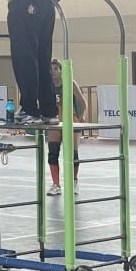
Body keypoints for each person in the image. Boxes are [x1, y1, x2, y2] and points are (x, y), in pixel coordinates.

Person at [47, 58, 86, 196]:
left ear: (61, 70)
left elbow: (82, 102)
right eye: (51, 70)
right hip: (55, 123)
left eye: (56, 69)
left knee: (73, 154)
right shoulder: (47, 87)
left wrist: (80, 118)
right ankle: (56, 184)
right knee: (52, 152)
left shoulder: (70, 83)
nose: (54, 73)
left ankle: (74, 182)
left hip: (71, 121)